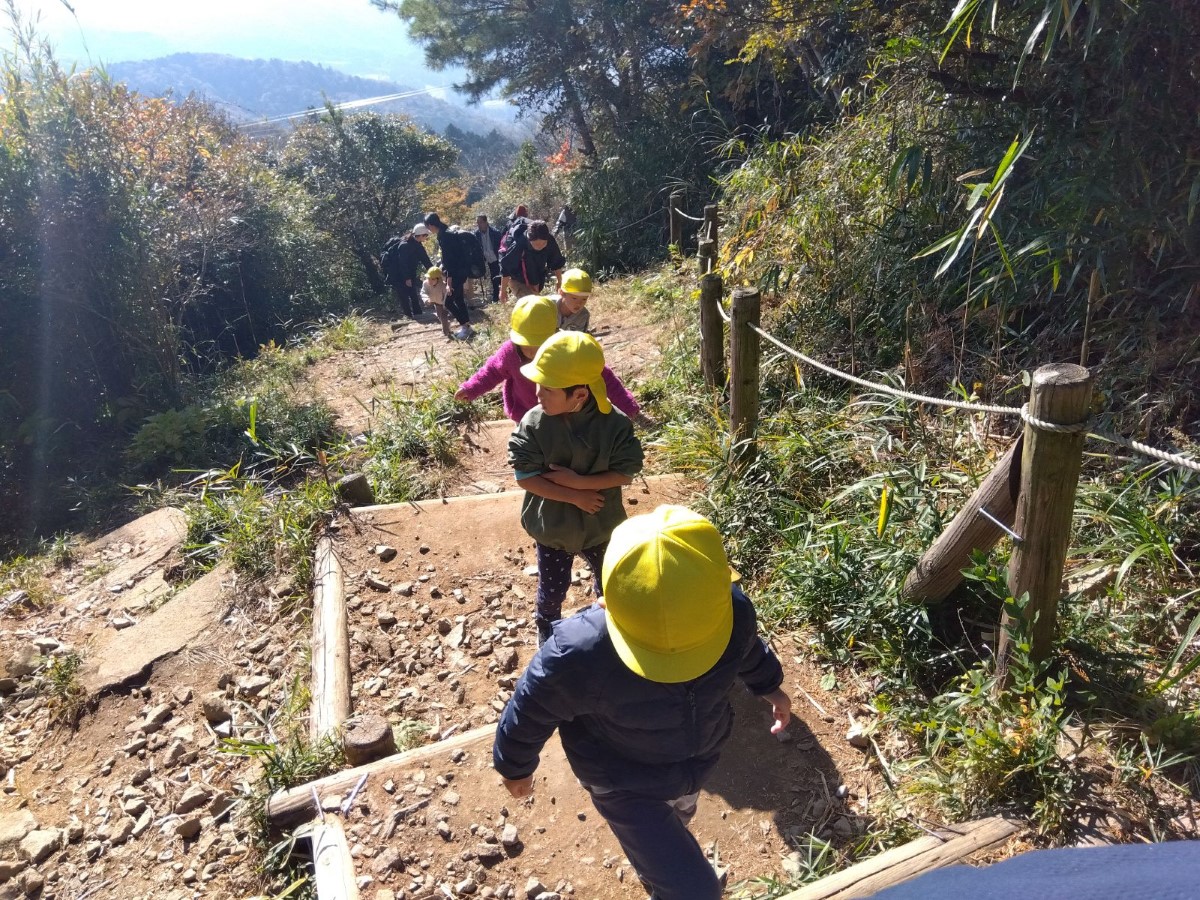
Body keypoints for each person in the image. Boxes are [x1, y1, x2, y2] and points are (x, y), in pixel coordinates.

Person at [493, 504, 792, 900]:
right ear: (603, 603)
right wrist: (516, 766)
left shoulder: (734, 613)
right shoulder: (578, 652)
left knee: (680, 815)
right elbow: (532, 705)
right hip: (619, 780)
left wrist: (770, 686)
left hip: (696, 759)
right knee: (695, 890)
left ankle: (659, 865)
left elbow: (748, 651)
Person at [505, 330, 644, 643]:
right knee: (552, 588)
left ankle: (608, 628)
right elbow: (524, 476)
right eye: (538, 383)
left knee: (610, 582)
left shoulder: (615, 423)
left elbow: (626, 471)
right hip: (554, 526)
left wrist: (581, 483)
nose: (537, 393)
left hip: (601, 524)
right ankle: (547, 629)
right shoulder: (534, 422)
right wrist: (572, 495)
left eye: (548, 388)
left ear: (580, 395)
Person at [453, 295, 640, 422]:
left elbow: (601, 375)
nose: (532, 351)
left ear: (554, 332)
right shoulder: (509, 352)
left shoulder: (567, 347)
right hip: (526, 413)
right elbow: (491, 371)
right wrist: (471, 388)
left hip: (565, 412)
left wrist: (627, 405)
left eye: (540, 344)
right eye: (526, 344)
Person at [422, 212, 474, 340]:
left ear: (431, 225)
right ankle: (467, 326)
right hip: (461, 271)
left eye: (428, 227)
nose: (429, 230)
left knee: (448, 302)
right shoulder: (447, 231)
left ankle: (464, 327)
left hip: (455, 274)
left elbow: (450, 262)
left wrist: (449, 283)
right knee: (459, 300)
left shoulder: (445, 237)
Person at [500, 219, 565, 300]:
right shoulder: (519, 244)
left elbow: (556, 261)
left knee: (536, 299)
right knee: (532, 302)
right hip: (517, 278)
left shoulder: (549, 240)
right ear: (529, 239)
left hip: (536, 275)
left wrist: (559, 282)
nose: (540, 247)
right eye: (537, 244)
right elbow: (506, 268)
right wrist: (503, 291)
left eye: (544, 243)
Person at [380, 224, 432, 319]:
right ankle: (408, 315)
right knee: (403, 295)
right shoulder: (405, 245)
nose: (426, 238)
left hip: (408, 273)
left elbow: (426, 260)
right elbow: (402, 263)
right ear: (420, 235)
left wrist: (433, 272)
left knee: (412, 292)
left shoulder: (417, 245)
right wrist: (407, 278)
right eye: (426, 235)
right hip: (397, 274)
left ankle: (417, 314)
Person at [473, 214, 503, 305]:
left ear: (486, 222)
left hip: (497, 258)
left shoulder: (495, 232)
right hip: (488, 259)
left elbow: (501, 246)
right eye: (477, 223)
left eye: (480, 222)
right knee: (494, 278)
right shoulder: (476, 234)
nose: (478, 224)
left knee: (500, 277)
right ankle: (496, 298)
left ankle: (501, 296)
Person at [552, 267, 592, 332]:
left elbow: (578, 339)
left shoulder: (583, 315)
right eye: (574, 298)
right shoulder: (547, 307)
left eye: (584, 299)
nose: (579, 303)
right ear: (562, 293)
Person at [420, 267, 452, 338]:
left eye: (433, 279)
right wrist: (426, 299)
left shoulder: (443, 285)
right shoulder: (425, 284)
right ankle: (447, 325)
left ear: (438, 279)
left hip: (444, 303)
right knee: (439, 316)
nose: (430, 281)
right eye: (428, 278)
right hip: (436, 303)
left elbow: (446, 295)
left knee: (443, 317)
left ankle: (446, 332)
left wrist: (445, 304)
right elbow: (423, 292)